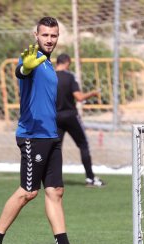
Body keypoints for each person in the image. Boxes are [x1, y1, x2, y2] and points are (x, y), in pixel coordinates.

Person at [0, 17, 97, 244]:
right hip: (33, 136)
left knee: (55, 191)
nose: (49, 39)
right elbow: (21, 71)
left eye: (53, 35)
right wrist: (25, 67)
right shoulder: (31, 59)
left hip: (51, 135)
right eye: (45, 35)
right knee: (28, 192)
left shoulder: (48, 65)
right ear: (36, 35)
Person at [55, 53, 105, 187]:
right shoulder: (69, 77)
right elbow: (80, 97)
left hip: (55, 117)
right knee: (83, 145)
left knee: (56, 148)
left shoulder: (50, 77)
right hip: (70, 116)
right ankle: (90, 178)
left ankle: (53, 179)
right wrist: (93, 93)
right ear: (67, 63)